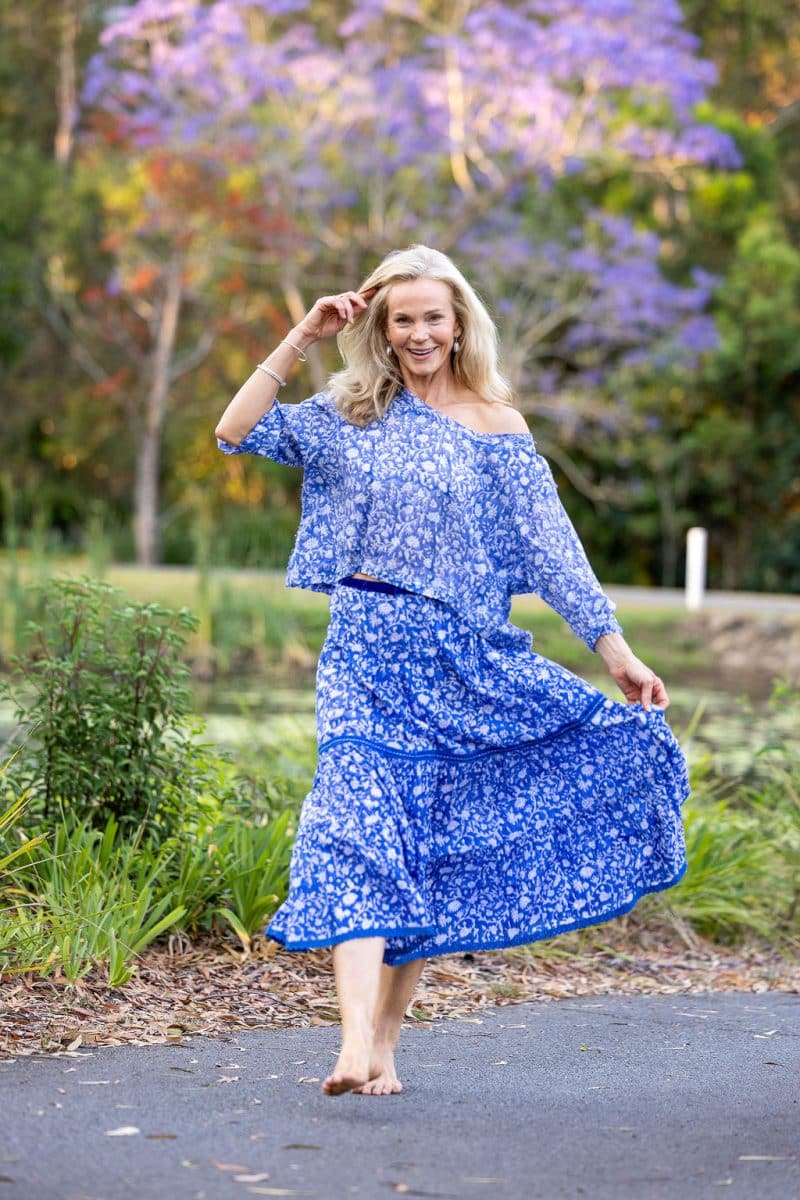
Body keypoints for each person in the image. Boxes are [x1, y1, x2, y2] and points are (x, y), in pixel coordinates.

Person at [214, 245, 689, 1099]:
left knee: (424, 852)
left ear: (459, 322)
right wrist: (300, 336)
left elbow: (552, 550)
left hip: (460, 661)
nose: (421, 332)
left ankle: (387, 1046)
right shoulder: (350, 409)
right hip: (361, 650)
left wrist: (614, 650)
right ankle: (352, 1045)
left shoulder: (495, 425)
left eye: (435, 316)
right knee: (355, 822)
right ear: (383, 332)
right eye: (404, 319)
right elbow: (234, 431)